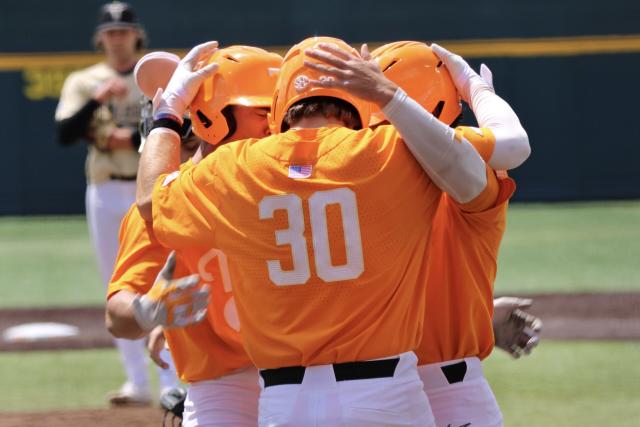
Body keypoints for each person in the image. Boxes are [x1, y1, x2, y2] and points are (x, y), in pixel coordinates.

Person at [136, 36, 503, 427]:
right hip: (384, 392)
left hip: (282, 401)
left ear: (280, 106)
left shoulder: (233, 165)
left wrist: (168, 114)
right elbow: (505, 148)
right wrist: (476, 90)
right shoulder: (391, 150)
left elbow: (150, 200)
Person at [106, 45, 283, 426]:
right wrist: (146, 311)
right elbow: (117, 316)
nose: (274, 124)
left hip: (303, 371)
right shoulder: (164, 202)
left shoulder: (299, 175)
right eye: (262, 111)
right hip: (223, 382)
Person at [371, 41, 538, 427]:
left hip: (373, 394)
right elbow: (512, 142)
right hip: (454, 393)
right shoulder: (477, 172)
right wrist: (478, 89)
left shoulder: (351, 174)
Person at [54, 1, 179, 405]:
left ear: (136, 35)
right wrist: (97, 99)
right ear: (100, 38)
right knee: (117, 283)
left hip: (154, 186)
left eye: (124, 31)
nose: (118, 38)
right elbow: (66, 132)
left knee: (170, 274)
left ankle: (172, 381)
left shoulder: (155, 75)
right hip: (107, 188)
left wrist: (136, 137)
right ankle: (136, 383)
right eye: (111, 32)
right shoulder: (85, 79)